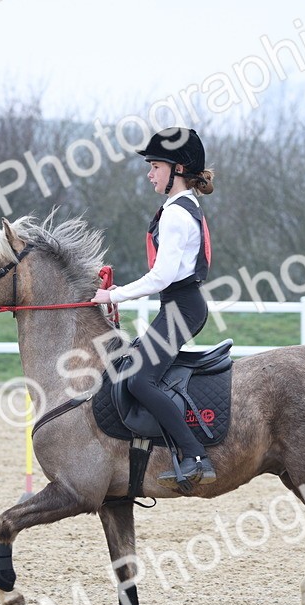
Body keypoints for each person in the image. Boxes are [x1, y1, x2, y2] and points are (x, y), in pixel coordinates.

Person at [91, 127, 217, 488]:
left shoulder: (177, 214)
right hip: (178, 306)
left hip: (182, 308)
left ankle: (194, 455)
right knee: (139, 375)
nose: (149, 173)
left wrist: (111, 296)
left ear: (177, 169)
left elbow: (160, 277)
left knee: (140, 381)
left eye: (155, 166)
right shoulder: (178, 207)